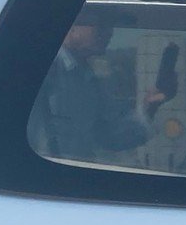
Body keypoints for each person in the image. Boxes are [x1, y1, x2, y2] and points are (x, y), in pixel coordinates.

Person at [27, 12, 174, 163]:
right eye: (101, 25)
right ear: (71, 26)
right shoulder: (39, 67)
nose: (109, 33)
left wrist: (150, 107)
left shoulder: (90, 81)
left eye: (111, 26)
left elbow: (110, 137)